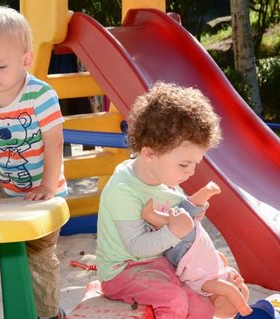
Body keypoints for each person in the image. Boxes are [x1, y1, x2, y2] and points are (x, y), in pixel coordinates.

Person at [96, 81, 240, 318]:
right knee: (174, 301)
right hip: (123, 270)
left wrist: (193, 213)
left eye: (195, 163)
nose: (191, 172)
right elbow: (136, 246)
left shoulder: (165, 178)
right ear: (149, 153)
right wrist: (175, 232)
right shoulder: (124, 190)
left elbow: (178, 214)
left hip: (160, 263)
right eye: (184, 164)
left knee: (203, 307)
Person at [0, 6, 67, 319]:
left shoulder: (41, 95)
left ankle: (48, 314)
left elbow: (54, 141)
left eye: (0, 65)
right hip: (5, 175)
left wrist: (47, 184)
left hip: (42, 180)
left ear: (25, 60)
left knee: (39, 256)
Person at [142, 181, 253, 318]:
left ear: (218, 299)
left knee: (178, 225)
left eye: (239, 289)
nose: (239, 280)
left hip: (184, 249)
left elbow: (229, 289)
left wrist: (242, 307)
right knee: (187, 213)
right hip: (192, 241)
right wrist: (228, 270)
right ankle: (204, 194)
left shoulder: (208, 286)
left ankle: (151, 216)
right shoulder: (217, 271)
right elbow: (218, 256)